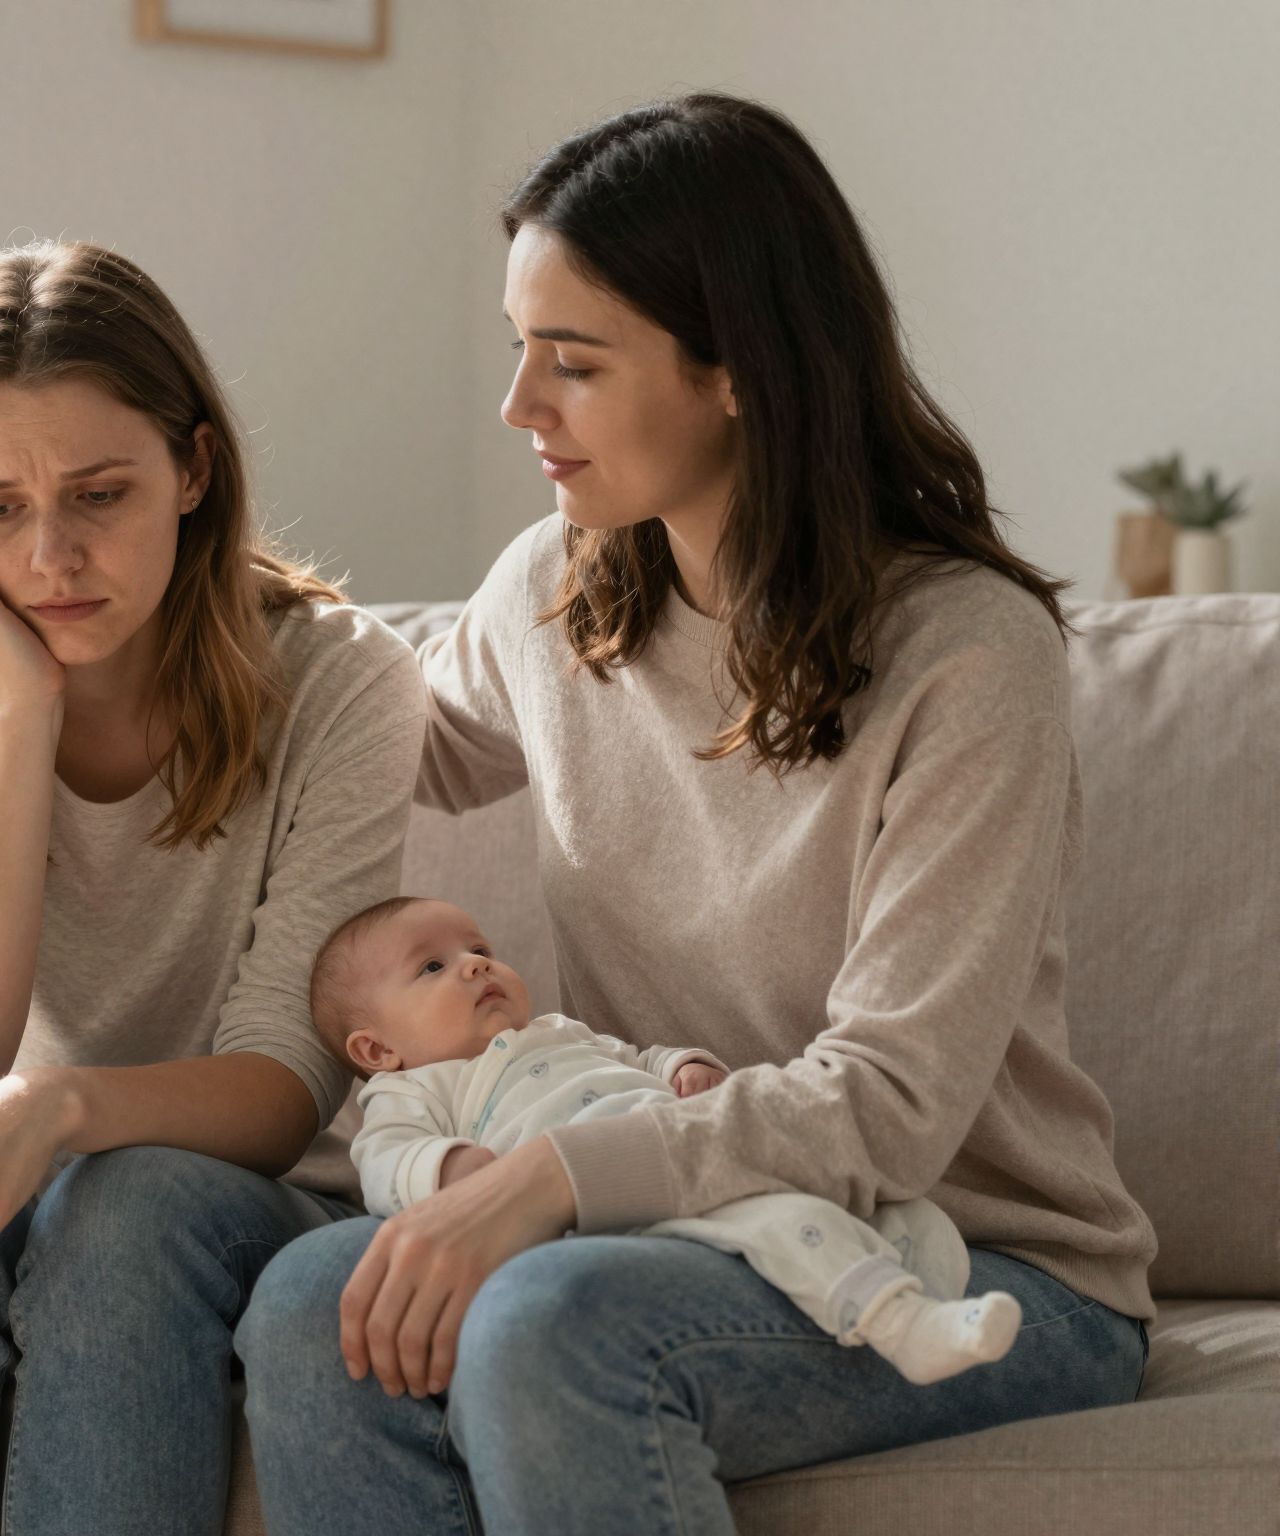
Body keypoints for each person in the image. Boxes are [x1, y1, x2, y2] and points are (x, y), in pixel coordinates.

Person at [236, 92, 1157, 1536]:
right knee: (310, 1299)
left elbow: (896, 1108)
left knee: (551, 1324)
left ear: (738, 368)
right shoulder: (558, 588)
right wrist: (145, 594)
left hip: (972, 1263)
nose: (520, 406)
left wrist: (544, 1181)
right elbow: (358, 742)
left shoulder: (971, 656)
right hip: (672, 1230)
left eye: (575, 362)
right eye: (518, 349)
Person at [0, 239, 425, 1536]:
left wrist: (59, 1109)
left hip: (215, 1192)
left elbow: (284, 1088)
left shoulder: (342, 680)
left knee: (126, 1209)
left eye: (100, 494)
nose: (52, 555)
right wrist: (23, 710)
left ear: (192, 469)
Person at [313, 895, 1024, 1386]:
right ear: (376, 1050)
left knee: (905, 1210)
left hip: (685, 1156)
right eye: (432, 967)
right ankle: (897, 1323)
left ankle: (918, 1277)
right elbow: (382, 1160)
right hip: (623, 1211)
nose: (475, 964)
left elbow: (637, 1058)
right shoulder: (415, 1090)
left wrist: (682, 1066)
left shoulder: (558, 1033)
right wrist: (451, 1169)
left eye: (478, 948)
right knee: (776, 1224)